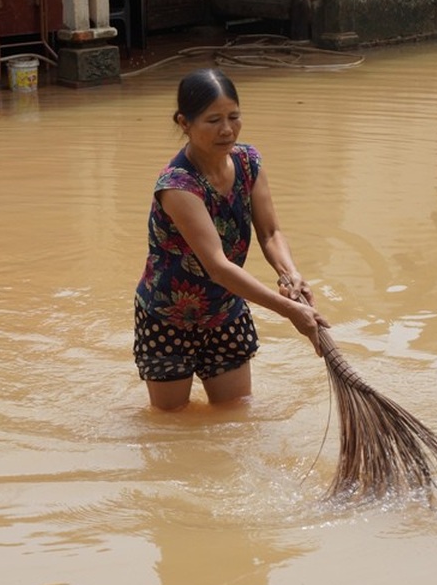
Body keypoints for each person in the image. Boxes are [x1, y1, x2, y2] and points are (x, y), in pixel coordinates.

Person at [133, 68, 328, 411]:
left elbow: (270, 233)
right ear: (184, 123)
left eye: (234, 117)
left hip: (225, 311)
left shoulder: (249, 162)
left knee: (235, 416)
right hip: (168, 317)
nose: (227, 130)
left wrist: (290, 274)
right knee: (171, 425)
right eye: (213, 120)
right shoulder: (179, 186)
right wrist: (289, 310)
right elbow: (218, 267)